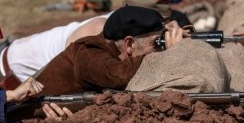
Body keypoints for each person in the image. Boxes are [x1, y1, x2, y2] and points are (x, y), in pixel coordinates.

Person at [34, 6, 187, 95]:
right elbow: (118, 76)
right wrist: (172, 54)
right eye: (156, 44)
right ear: (129, 44)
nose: (161, 49)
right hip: (20, 122)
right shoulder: (89, 52)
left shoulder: (110, 52)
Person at [0, 11, 112, 89]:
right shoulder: (98, 31)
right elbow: (70, 78)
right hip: (10, 73)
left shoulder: (118, 21)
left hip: (19, 56)